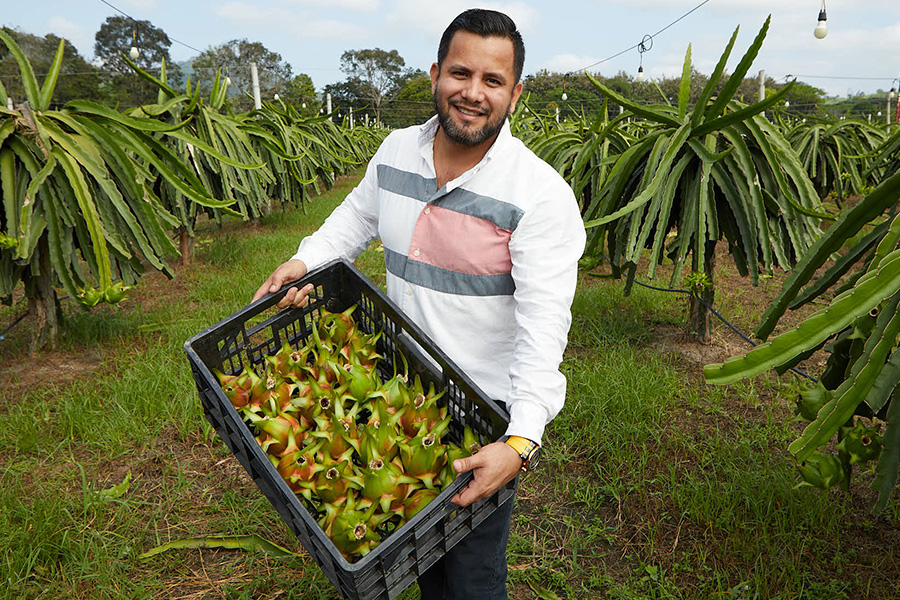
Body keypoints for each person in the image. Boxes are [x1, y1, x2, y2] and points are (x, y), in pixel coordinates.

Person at [253, 9, 585, 599]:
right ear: (435, 73)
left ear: (516, 93)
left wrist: (521, 440)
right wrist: (304, 261)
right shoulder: (397, 151)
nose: (473, 94)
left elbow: (544, 326)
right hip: (400, 387)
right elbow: (352, 220)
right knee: (418, 554)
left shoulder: (539, 196)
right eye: (460, 73)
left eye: (493, 81)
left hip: (482, 413)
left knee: (472, 575)